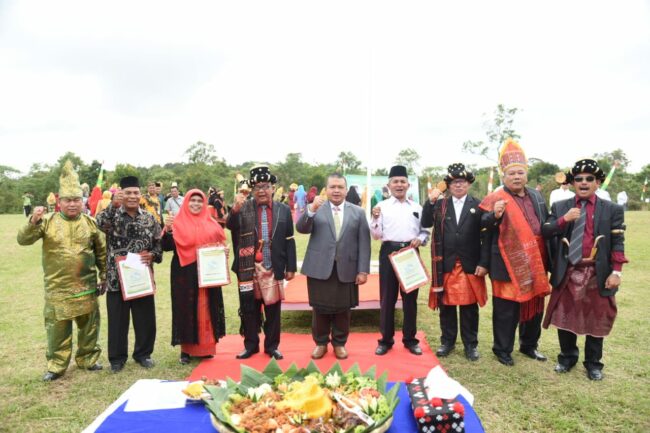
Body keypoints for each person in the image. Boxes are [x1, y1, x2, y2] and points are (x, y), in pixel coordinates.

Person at [17, 161, 105, 381]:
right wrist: (32, 221)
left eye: (76, 199)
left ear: (82, 201)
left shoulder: (91, 223)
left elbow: (102, 252)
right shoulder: (46, 222)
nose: (73, 204)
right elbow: (23, 240)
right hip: (58, 289)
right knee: (57, 330)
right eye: (68, 200)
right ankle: (56, 365)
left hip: (86, 286)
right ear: (59, 201)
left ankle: (87, 358)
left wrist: (104, 276)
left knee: (89, 327)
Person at [542, 159, 628, 380]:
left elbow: (618, 242)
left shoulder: (612, 209)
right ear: (572, 183)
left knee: (595, 318)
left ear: (598, 182)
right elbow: (546, 230)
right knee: (565, 317)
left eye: (589, 179)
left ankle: (593, 364)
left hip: (597, 272)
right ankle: (567, 358)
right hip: (568, 271)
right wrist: (564, 219)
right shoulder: (561, 206)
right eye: (578, 179)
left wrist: (616, 272)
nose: (583, 182)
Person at [479, 138, 551, 366]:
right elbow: (482, 227)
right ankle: (502, 349)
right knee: (506, 308)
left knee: (534, 305)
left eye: (520, 172)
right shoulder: (495, 198)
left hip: (536, 260)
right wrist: (494, 216)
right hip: (507, 261)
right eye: (512, 174)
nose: (517, 177)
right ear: (504, 177)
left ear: (526, 174)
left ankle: (529, 345)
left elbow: (546, 221)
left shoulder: (537, 197)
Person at [296, 174, 371, 360]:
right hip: (319, 267)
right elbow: (301, 228)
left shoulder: (358, 212)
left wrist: (363, 270)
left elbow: (364, 243)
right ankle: (320, 343)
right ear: (326, 189)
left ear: (346, 190)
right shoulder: (316, 209)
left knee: (343, 310)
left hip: (347, 268)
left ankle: (339, 343)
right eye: (332, 187)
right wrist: (311, 210)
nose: (336, 190)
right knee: (320, 308)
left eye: (340, 187)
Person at [227, 165, 297, 360]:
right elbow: (230, 226)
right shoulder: (244, 207)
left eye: (265, 186)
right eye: (257, 187)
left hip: (273, 266)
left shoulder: (283, 210)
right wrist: (234, 209)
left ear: (273, 188)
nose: (262, 191)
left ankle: (272, 346)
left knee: (273, 309)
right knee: (249, 308)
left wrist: (291, 267)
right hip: (248, 267)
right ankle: (250, 346)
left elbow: (289, 239)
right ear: (252, 190)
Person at [421, 163, 489, 361]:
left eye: (462, 182)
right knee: (447, 306)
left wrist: (484, 262)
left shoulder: (478, 205)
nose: (458, 185)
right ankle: (447, 342)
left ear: (468, 184)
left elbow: (486, 236)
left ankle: (471, 345)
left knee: (469, 307)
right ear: (448, 186)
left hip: (469, 263)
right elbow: (425, 222)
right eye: (454, 182)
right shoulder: (440, 205)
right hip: (446, 263)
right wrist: (429, 202)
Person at [96, 176, 163, 373]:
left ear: (140, 195)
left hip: (141, 277)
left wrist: (153, 255)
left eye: (135, 193)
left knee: (145, 318)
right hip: (117, 278)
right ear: (122, 195)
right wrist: (112, 205)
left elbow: (158, 243)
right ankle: (117, 359)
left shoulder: (149, 217)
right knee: (117, 319)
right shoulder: (112, 215)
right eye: (128, 193)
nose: (132, 196)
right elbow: (99, 222)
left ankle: (143, 354)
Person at [370, 165, 429, 356]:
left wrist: (419, 239)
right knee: (387, 298)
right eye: (395, 181)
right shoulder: (382, 207)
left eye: (403, 181)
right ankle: (385, 340)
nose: (399, 185)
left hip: (410, 253)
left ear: (408, 185)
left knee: (410, 298)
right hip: (389, 252)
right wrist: (375, 218)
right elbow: (376, 235)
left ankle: (410, 339)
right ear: (389, 185)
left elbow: (425, 231)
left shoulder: (417, 208)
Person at [163, 189, 227, 364]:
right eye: (193, 200)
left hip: (208, 273)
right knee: (186, 308)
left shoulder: (211, 223)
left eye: (200, 200)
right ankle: (186, 350)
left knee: (206, 308)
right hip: (184, 272)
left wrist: (223, 251)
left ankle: (206, 348)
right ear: (186, 202)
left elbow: (220, 244)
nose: (196, 204)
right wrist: (168, 230)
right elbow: (166, 246)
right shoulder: (176, 222)